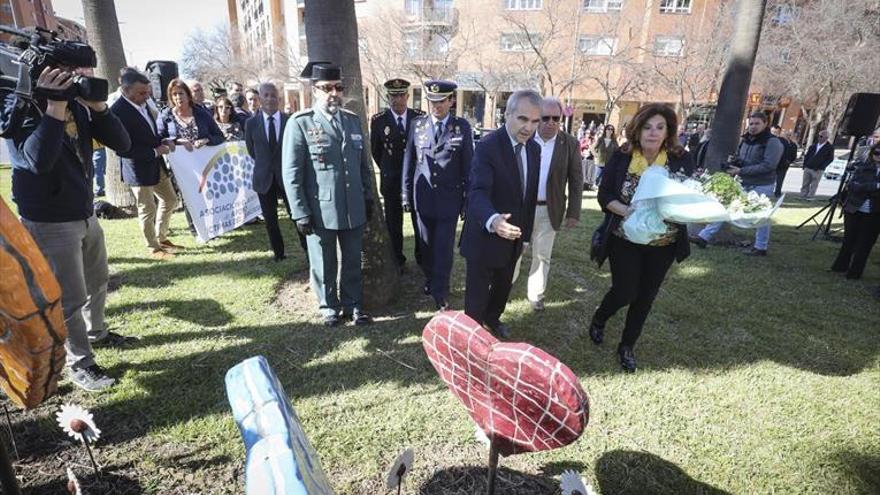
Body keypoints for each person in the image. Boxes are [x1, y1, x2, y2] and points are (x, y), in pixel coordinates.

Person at [5, 64, 133, 391]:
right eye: (59, 71)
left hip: (84, 211)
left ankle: (97, 332)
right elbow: (37, 161)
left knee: (97, 280)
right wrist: (54, 109)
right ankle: (80, 362)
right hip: (49, 220)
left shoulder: (76, 102)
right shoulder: (17, 104)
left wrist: (99, 108)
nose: (69, 77)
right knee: (70, 297)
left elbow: (123, 142)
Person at [588, 103, 695, 372]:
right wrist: (629, 212)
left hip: (663, 243)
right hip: (625, 239)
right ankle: (600, 318)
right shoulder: (622, 156)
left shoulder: (681, 158)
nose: (653, 133)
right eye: (647, 127)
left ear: (669, 131)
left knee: (645, 297)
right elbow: (605, 196)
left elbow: (689, 195)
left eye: (660, 127)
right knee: (625, 291)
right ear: (638, 129)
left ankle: (627, 346)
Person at [282, 61, 374, 327]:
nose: (334, 93)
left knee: (353, 259)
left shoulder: (353, 121)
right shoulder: (300, 124)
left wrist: (368, 197)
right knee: (324, 261)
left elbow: (363, 165)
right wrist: (300, 212)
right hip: (320, 209)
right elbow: (292, 174)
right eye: (327, 88)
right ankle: (329, 307)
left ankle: (354, 304)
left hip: (353, 206)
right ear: (315, 90)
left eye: (338, 87)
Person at [460, 89, 542, 339]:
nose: (529, 127)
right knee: (476, 298)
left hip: (514, 238)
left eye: (535, 121)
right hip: (484, 236)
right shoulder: (487, 147)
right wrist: (493, 220)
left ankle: (492, 320)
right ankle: (472, 338)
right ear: (507, 114)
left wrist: (525, 236)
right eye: (523, 119)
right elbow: (477, 193)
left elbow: (527, 198)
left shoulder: (534, 150)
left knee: (503, 287)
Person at [402, 79, 473, 310]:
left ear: (451, 100)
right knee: (425, 245)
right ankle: (430, 279)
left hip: (449, 200)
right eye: (432, 101)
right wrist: (405, 194)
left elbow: (468, 166)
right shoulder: (417, 124)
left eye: (441, 101)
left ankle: (441, 291)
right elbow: (409, 162)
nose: (436, 106)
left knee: (443, 247)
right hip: (422, 197)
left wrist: (467, 201)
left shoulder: (461, 127)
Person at [514, 96, 582, 311]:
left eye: (556, 118)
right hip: (521, 208)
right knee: (514, 251)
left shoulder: (569, 144)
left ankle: (536, 294)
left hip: (549, 209)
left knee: (542, 255)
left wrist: (573, 212)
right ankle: (505, 284)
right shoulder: (523, 138)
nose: (551, 122)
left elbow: (577, 179)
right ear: (537, 118)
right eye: (546, 118)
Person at [111, 70, 183, 260]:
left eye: (147, 91)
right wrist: (154, 152)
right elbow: (122, 148)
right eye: (142, 93)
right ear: (126, 91)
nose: (146, 96)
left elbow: (151, 133)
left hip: (156, 163)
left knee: (170, 200)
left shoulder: (143, 104)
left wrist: (164, 141)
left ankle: (162, 238)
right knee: (147, 208)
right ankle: (153, 248)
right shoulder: (117, 111)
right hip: (137, 168)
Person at [691, 112, 783, 256]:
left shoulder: (772, 142)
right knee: (725, 208)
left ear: (765, 124)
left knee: (763, 215)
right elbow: (742, 157)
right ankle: (704, 237)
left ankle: (761, 247)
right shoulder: (746, 139)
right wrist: (733, 162)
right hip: (743, 181)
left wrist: (741, 170)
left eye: (757, 123)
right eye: (751, 123)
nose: (753, 127)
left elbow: (769, 165)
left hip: (762, 184)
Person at [245, 82, 307, 262]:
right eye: (266, 95)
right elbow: (252, 150)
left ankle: (308, 251)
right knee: (271, 221)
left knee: (298, 216)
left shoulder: (290, 121)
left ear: (279, 99)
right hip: (264, 179)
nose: (270, 99)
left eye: (273, 95)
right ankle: (279, 254)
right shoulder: (251, 124)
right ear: (260, 99)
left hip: (287, 178)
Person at [370, 78, 424, 270]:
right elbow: (376, 151)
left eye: (401, 95)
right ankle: (397, 261)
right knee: (393, 223)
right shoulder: (378, 121)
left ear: (408, 96)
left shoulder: (420, 118)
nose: (397, 99)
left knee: (418, 223)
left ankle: (421, 258)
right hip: (391, 181)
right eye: (393, 95)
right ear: (388, 97)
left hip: (416, 180)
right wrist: (388, 169)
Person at [831, 142, 880, 279]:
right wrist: (875, 186)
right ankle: (840, 266)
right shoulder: (863, 167)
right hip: (854, 208)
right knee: (849, 240)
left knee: (865, 244)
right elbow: (853, 186)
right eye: (876, 152)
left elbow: (861, 187)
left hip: (875, 212)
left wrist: (865, 188)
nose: (878, 156)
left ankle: (855, 273)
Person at [156, 79, 225, 152]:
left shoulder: (202, 113)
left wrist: (207, 140)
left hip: (203, 160)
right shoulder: (165, 115)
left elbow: (220, 137)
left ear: (188, 95)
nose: (178, 97)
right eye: (174, 94)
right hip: (177, 161)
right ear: (171, 97)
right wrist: (175, 141)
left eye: (181, 93)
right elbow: (159, 139)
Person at [800, 130, 833, 199]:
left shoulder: (829, 147)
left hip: (818, 169)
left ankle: (810, 196)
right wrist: (804, 165)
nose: (819, 138)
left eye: (821, 136)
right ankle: (803, 195)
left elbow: (830, 159)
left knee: (814, 184)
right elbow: (807, 156)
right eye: (819, 136)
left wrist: (822, 166)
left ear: (826, 138)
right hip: (808, 167)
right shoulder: (813, 146)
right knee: (805, 183)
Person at [771, 125, 797, 198]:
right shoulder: (780, 141)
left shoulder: (793, 145)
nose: (788, 136)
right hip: (776, 163)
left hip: (784, 166)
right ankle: (769, 191)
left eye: (790, 135)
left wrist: (789, 161)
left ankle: (777, 193)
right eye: (787, 134)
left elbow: (793, 156)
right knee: (771, 179)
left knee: (780, 180)